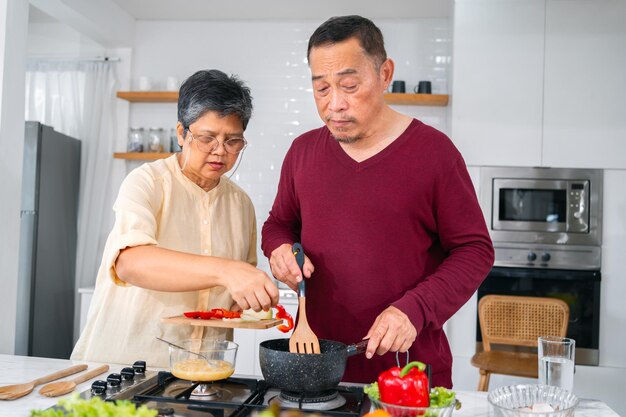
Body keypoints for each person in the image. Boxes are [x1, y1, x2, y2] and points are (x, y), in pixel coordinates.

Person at [261, 16, 494, 387]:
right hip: (318, 369)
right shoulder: (302, 152)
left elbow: (474, 250)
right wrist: (278, 250)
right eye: (321, 89)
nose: (334, 105)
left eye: (350, 85)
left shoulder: (435, 153)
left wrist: (414, 311)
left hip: (408, 374)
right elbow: (278, 224)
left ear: (385, 74)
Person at [72, 69, 279, 367]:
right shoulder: (147, 182)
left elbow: (232, 295)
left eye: (233, 141)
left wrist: (251, 295)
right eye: (207, 138)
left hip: (201, 371)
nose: (220, 151)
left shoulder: (240, 203)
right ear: (181, 133)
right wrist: (226, 271)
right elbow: (131, 262)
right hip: (124, 365)